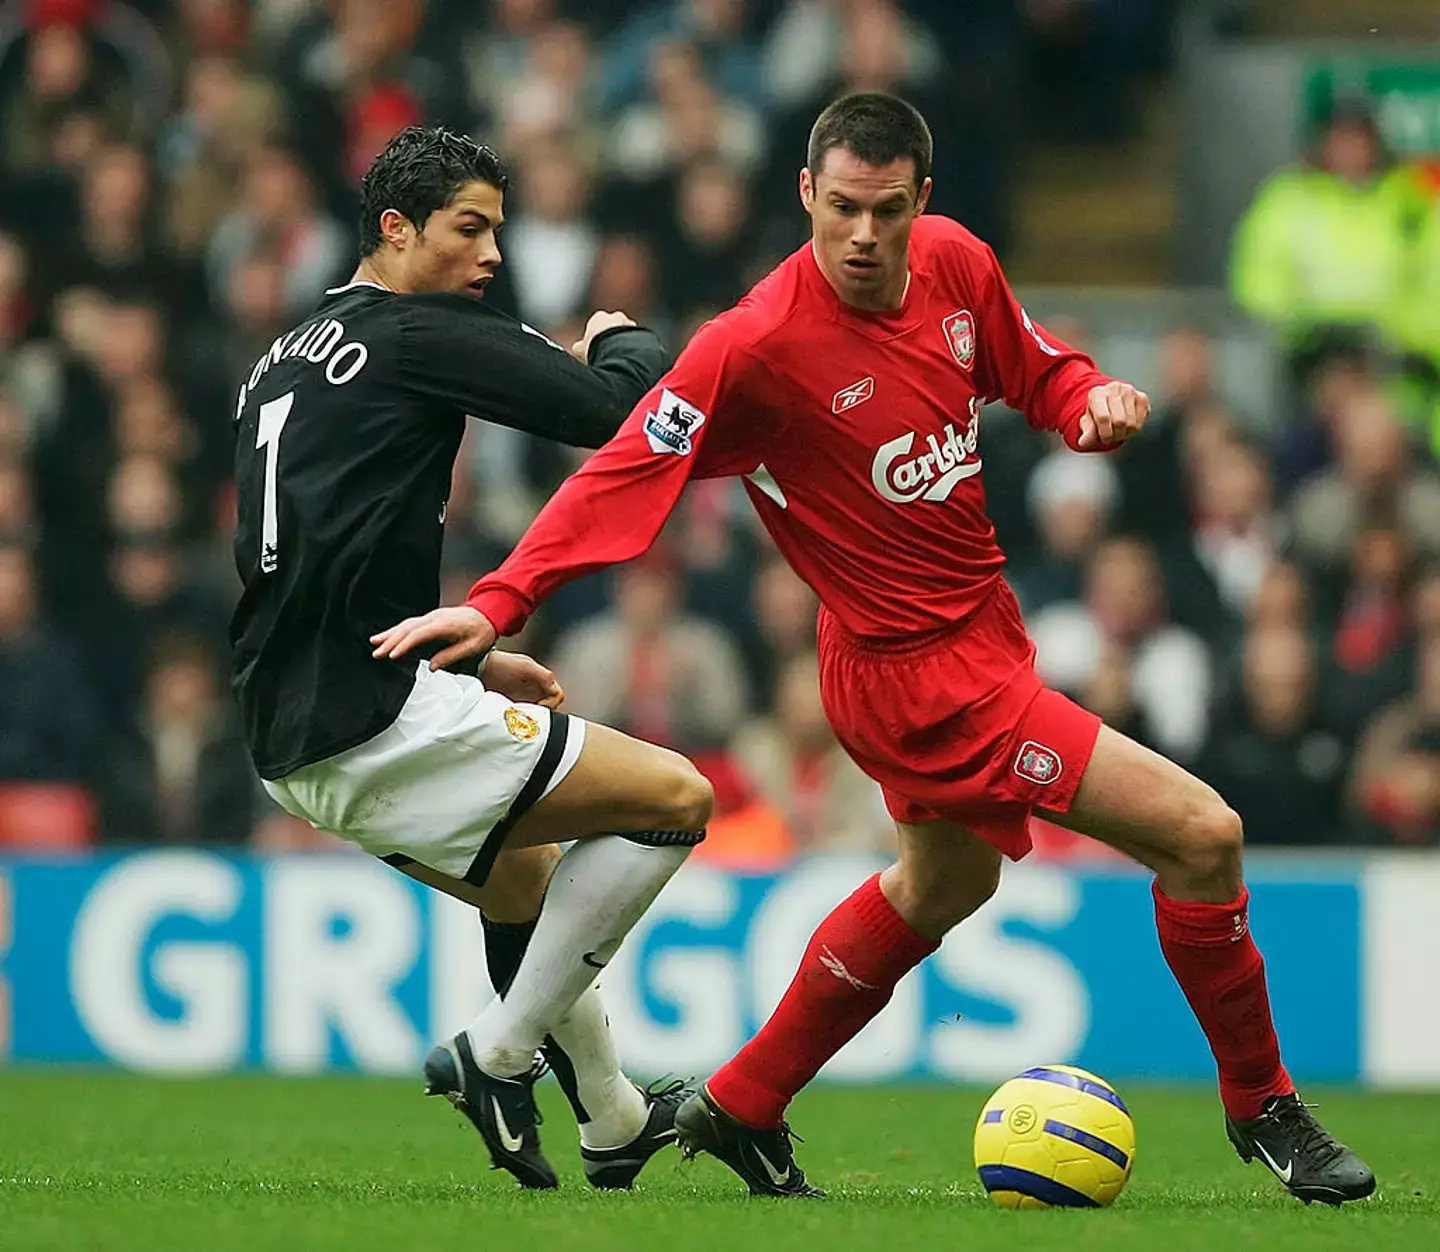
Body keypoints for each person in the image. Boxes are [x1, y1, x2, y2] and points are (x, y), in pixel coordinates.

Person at [373, 95, 1377, 1206]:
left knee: (944, 882)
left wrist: (1088, 399)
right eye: (840, 208)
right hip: (914, 675)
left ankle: (745, 1101)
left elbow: (1034, 368)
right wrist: (505, 597)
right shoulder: (753, 345)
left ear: (920, 205)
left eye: (885, 211)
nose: (861, 235)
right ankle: (1266, 1107)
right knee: (1202, 836)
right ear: (807, 195)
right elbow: (620, 472)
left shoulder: (954, 264)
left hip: (978, 635)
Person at [230, 126, 712, 1192]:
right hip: (367, 716)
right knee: (675, 797)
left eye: (499, 228)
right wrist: (620, 339)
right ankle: (497, 1059)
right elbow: (621, 412)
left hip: (286, 732)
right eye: (470, 227)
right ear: (396, 231)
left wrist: (464, 657)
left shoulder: (281, 358)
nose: (493, 254)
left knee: (521, 880)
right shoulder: (414, 332)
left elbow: (305, 552)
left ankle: (614, 1118)